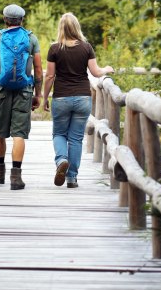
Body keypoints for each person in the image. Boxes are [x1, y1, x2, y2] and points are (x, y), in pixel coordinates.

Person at [43, 13, 113, 188]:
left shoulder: (54, 49)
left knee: (59, 134)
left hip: (61, 98)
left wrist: (44, 97)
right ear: (76, 27)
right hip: (83, 98)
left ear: (61, 28)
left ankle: (61, 160)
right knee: (75, 139)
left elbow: (50, 76)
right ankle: (72, 178)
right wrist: (107, 69)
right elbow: (96, 72)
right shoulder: (86, 47)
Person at [0, 4, 43, 190]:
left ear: (5, 19)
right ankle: (16, 177)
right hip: (24, 90)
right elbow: (38, 69)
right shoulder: (31, 38)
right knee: (19, 134)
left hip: (1, 90)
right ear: (22, 20)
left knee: (0, 132)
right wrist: (38, 94)